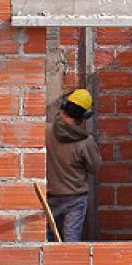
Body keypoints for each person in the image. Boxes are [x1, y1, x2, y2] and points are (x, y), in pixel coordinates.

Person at [44, 87, 100, 242]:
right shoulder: (85, 141)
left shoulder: (46, 132)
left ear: (63, 107)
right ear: (85, 116)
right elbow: (95, 168)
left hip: (50, 197)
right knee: (71, 244)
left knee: (46, 243)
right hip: (75, 199)